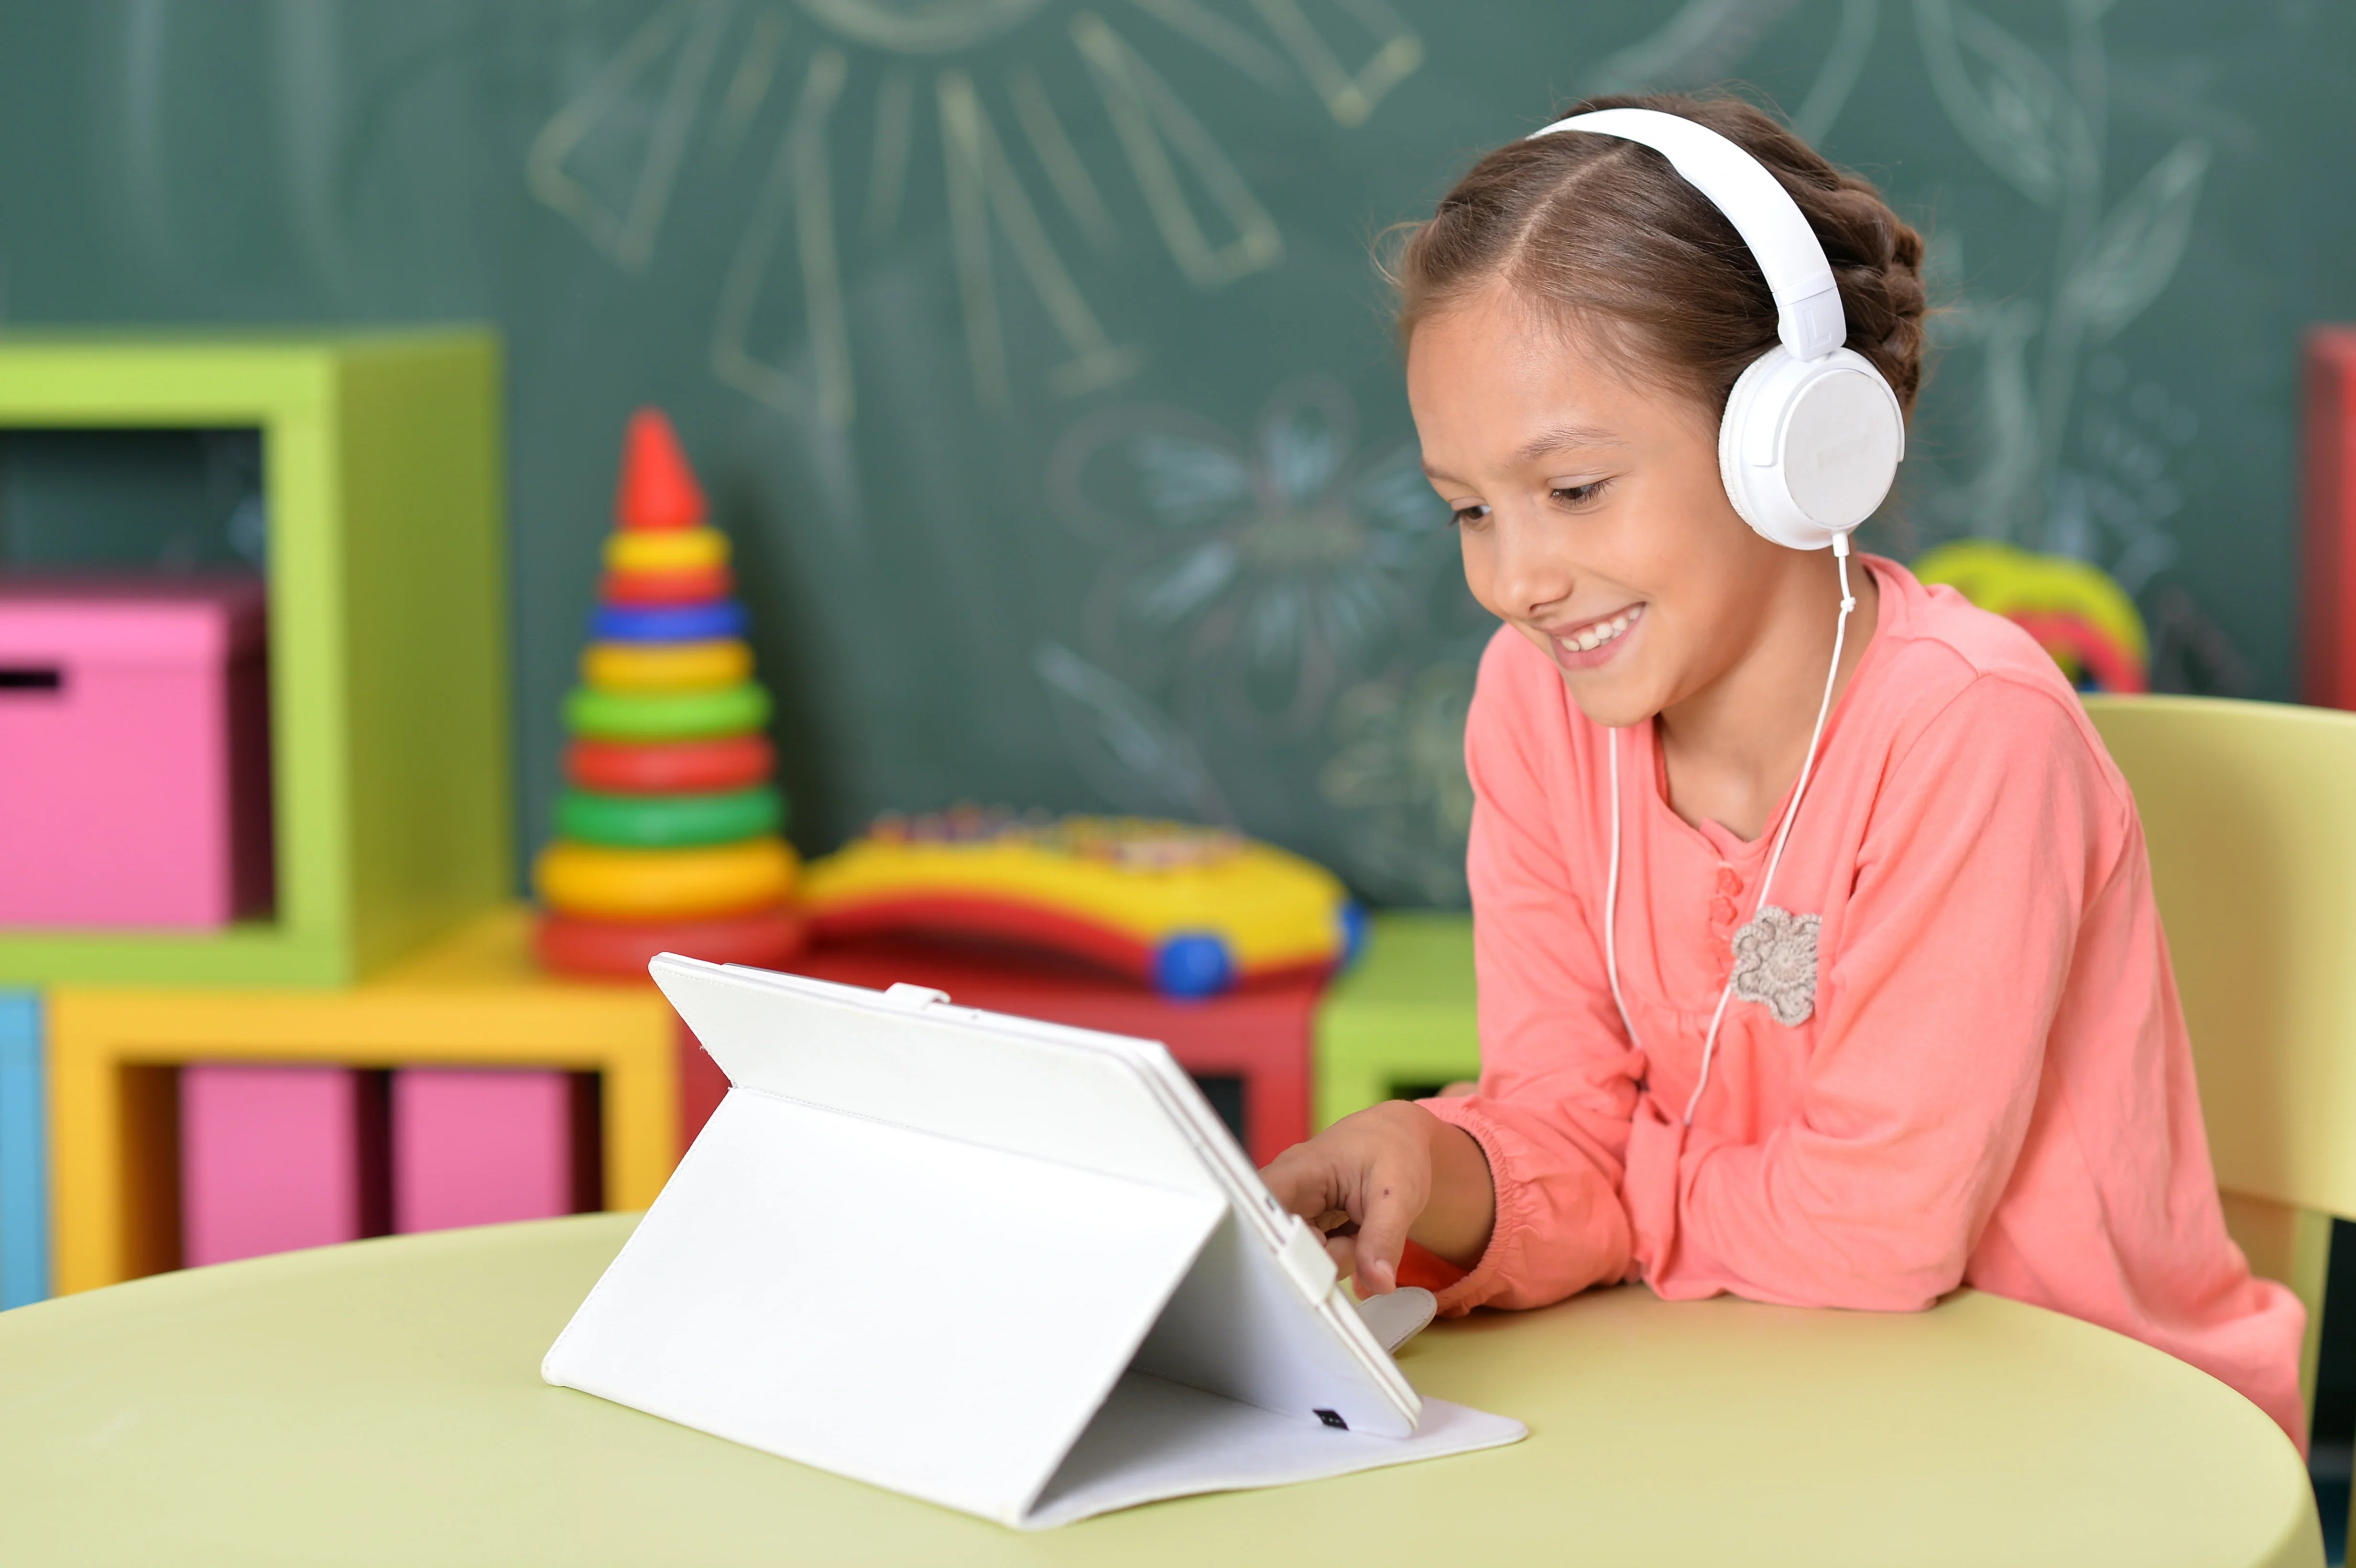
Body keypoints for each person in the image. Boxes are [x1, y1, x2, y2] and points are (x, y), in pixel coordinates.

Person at [1259, 90, 2306, 1443]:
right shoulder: (1532, 709)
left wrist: (1609, 1198)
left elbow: (1878, 1231)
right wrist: (1441, 1161)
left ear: (1795, 443)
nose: (1515, 581)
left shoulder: (1973, 732)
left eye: (1573, 490)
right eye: (1468, 509)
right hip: (1776, 1393)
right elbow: (1561, 1116)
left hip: (2091, 1431)